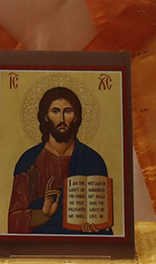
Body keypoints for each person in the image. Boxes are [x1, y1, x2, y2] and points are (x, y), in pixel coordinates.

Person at [7, 87, 110, 235]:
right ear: (46, 116)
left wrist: (97, 224)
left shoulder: (93, 160)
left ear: (75, 117)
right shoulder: (30, 161)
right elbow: (15, 219)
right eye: (55, 111)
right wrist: (44, 214)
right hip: (40, 244)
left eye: (68, 111)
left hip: (83, 244)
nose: (61, 119)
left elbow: (101, 214)